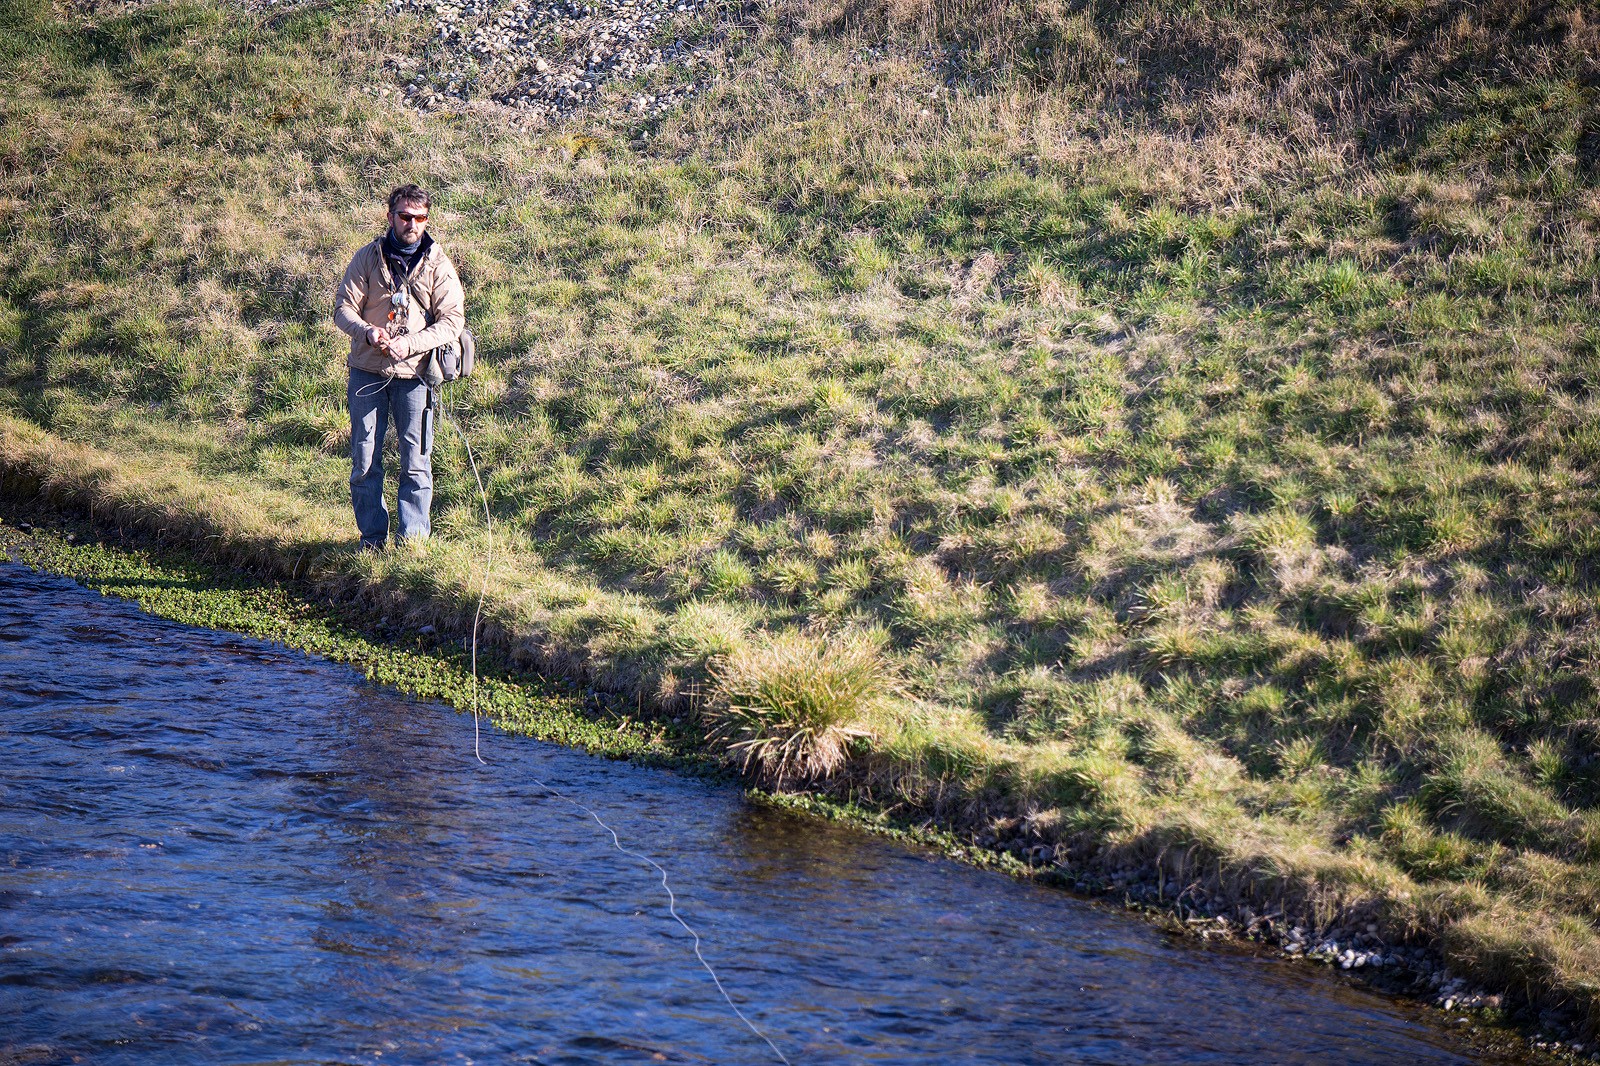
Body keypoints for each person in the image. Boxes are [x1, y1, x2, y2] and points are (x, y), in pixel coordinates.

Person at [333, 184, 465, 550]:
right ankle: (372, 541)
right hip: (366, 370)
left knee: (416, 463)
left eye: (420, 218)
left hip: (416, 375)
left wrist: (411, 344)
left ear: (427, 219)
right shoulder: (367, 257)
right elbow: (343, 309)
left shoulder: (438, 263)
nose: (412, 224)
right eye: (405, 216)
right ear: (390, 216)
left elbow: (453, 321)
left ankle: (411, 546)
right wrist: (367, 332)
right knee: (364, 462)